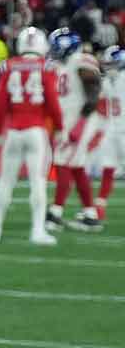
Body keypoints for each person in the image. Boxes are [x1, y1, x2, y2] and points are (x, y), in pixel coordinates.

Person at [0, 27, 63, 245]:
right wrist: (60, 126)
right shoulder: (46, 67)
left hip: (13, 131)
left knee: (5, 181)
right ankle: (37, 231)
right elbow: (53, 102)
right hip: (36, 130)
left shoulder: (8, 66)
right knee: (38, 181)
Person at [44, 28, 104, 231]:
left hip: (80, 119)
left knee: (62, 162)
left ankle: (55, 213)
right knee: (77, 168)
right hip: (70, 119)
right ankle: (90, 214)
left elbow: (94, 92)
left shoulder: (81, 59)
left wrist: (79, 126)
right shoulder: (64, 64)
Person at [97, 45, 125, 221]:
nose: (109, 67)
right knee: (108, 168)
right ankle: (99, 208)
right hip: (112, 129)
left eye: (113, 63)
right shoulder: (108, 81)